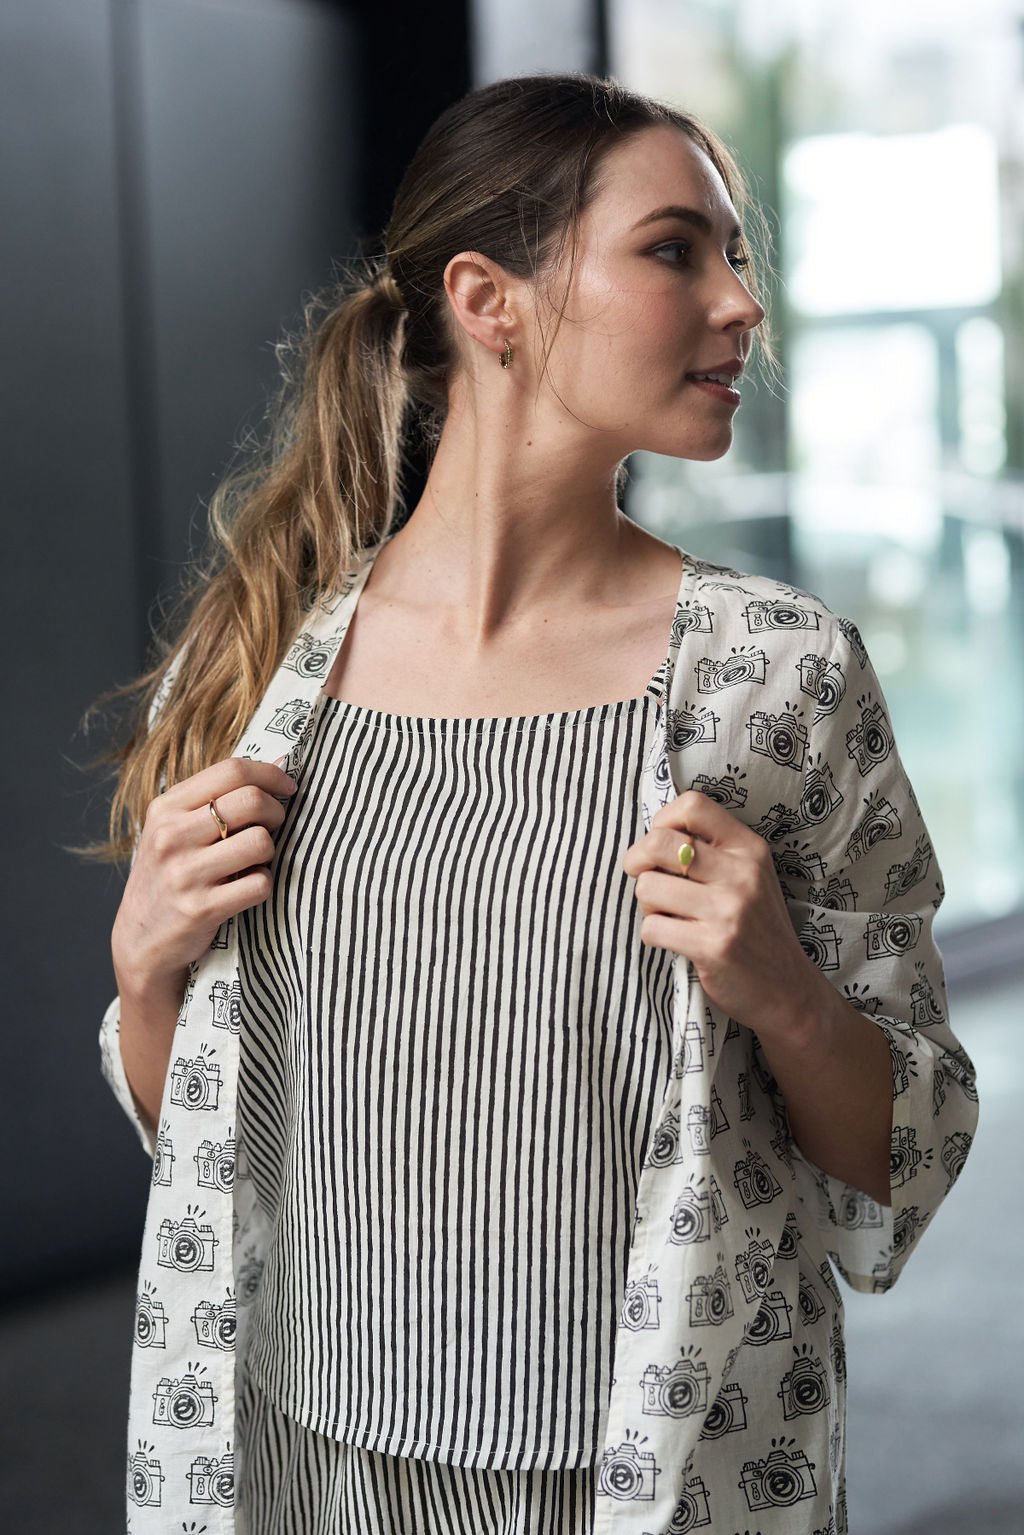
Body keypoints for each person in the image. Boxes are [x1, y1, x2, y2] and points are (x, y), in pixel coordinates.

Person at [89, 71, 978, 1535]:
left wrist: (788, 999)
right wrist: (142, 978)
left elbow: (906, 1152)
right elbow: (200, 1128)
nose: (742, 302)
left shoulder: (777, 675)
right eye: (677, 248)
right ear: (488, 301)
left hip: (665, 1470)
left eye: (737, 254)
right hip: (323, 1463)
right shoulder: (266, 667)